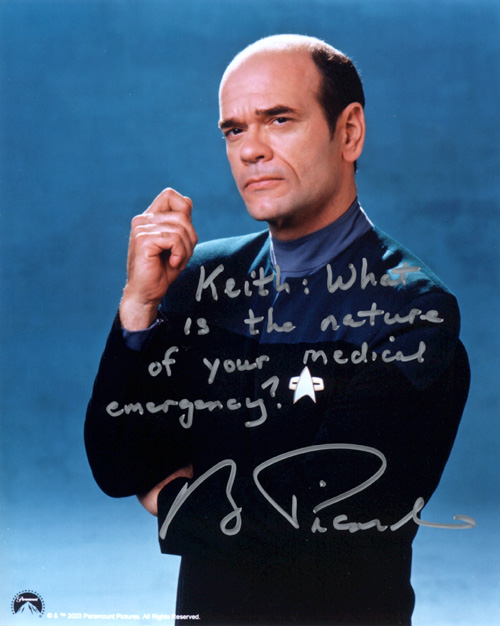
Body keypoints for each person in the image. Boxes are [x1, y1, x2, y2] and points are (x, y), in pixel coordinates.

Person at [85, 34, 471, 625]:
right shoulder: (199, 282)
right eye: (234, 129)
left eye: (279, 120)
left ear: (349, 132)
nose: (250, 150)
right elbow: (117, 463)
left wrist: (170, 499)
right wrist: (139, 305)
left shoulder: (412, 310)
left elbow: (327, 519)